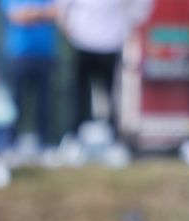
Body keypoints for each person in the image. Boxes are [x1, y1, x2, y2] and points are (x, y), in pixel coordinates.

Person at [59, 0, 149, 137]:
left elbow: (140, 6)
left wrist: (130, 25)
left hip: (111, 43)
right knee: (78, 93)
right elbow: (62, 5)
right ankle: (75, 134)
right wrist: (66, 25)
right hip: (81, 41)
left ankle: (113, 135)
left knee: (112, 94)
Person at [1, 0, 57, 145]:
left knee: (45, 105)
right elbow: (15, 16)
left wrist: (31, 13)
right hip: (18, 54)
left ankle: (45, 143)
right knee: (14, 104)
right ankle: (10, 142)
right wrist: (41, 14)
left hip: (45, 54)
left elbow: (56, 12)